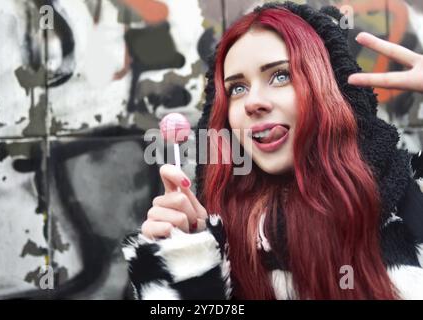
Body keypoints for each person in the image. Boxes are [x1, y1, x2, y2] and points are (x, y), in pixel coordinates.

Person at [122, 2, 423, 300]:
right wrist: (183, 260)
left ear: (330, 89)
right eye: (237, 88)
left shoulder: (412, 197)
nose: (253, 102)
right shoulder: (218, 239)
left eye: (280, 75)